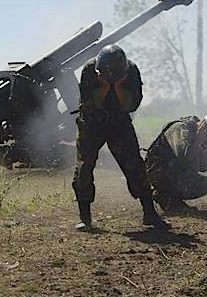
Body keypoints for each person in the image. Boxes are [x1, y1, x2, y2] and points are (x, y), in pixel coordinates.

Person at [72, 44, 169, 231]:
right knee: (84, 168)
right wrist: (104, 85)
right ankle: (85, 218)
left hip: (119, 123)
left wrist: (116, 86)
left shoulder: (131, 71)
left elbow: (130, 106)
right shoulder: (89, 70)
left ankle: (150, 213)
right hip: (91, 123)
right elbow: (91, 103)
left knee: (135, 166)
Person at [145, 113, 207, 212]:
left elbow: (204, 167)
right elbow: (182, 157)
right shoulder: (181, 129)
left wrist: (204, 150)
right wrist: (197, 144)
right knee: (178, 172)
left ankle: (171, 199)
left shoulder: (200, 138)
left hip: (175, 173)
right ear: (203, 126)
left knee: (205, 183)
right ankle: (165, 195)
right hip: (157, 171)